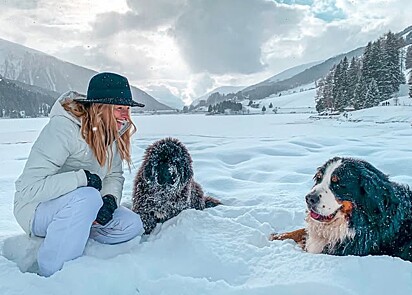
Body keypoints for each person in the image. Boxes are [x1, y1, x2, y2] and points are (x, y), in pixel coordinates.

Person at [13, 72, 146, 277]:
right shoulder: (63, 129)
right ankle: (53, 274)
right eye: (119, 108)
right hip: (35, 209)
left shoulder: (112, 134)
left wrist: (110, 200)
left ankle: (74, 231)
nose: (126, 116)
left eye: (127, 109)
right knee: (88, 196)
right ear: (100, 107)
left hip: (80, 206)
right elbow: (29, 188)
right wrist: (81, 178)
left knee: (131, 224)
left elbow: (113, 176)